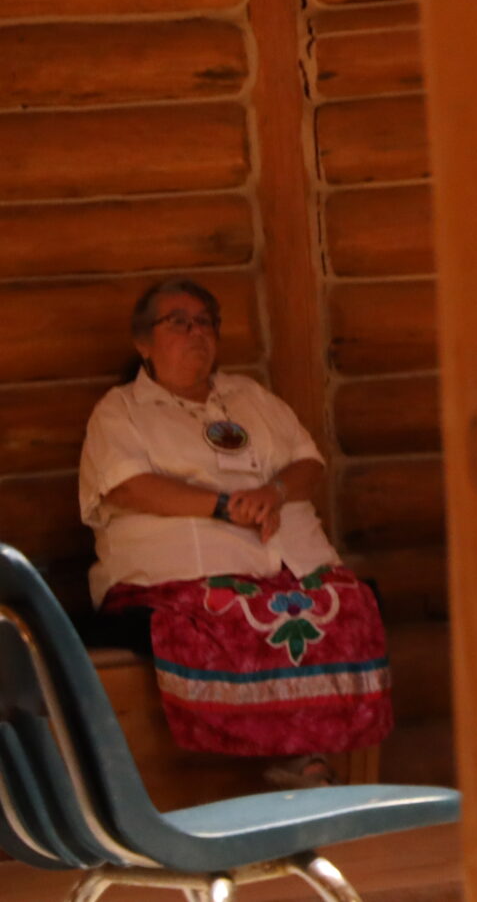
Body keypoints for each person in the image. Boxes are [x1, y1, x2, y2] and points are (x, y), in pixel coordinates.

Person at [79, 278, 393, 783]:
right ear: (143, 343)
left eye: (204, 321)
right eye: (177, 322)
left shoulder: (248, 396)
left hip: (289, 565)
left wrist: (273, 494)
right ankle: (274, 764)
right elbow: (129, 488)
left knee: (346, 605)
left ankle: (322, 763)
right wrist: (224, 507)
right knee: (227, 614)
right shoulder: (121, 411)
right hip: (181, 578)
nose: (194, 331)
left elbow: (307, 463)